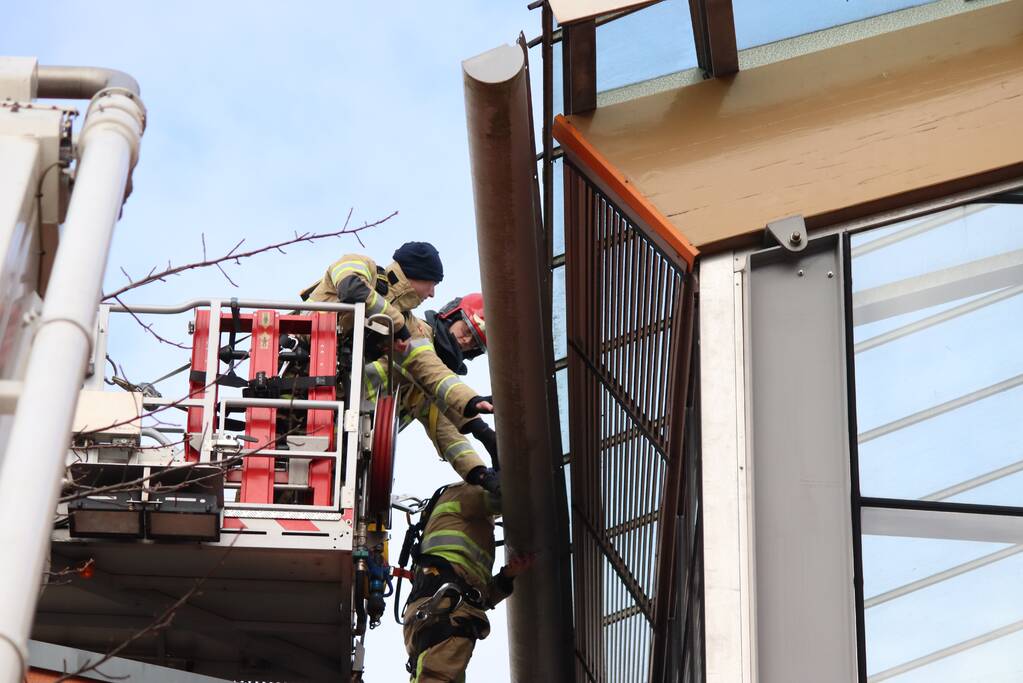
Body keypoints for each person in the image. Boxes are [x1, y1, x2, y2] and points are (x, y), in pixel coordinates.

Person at [364, 294, 499, 495]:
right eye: (466, 330)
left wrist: (480, 473)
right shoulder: (415, 329)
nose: (465, 341)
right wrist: (476, 412)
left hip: (354, 432)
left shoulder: (436, 387)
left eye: (473, 343)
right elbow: (430, 370)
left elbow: (445, 429)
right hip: (339, 398)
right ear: (451, 316)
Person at [401, 482, 533, 682]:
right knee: (437, 676)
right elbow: (514, 498)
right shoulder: (468, 494)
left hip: (439, 611)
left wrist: (507, 576)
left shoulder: (467, 525)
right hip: (445, 612)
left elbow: (481, 597)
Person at [300, 241, 444, 354]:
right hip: (289, 352)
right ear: (418, 274)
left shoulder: (407, 321)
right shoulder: (360, 263)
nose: (432, 294)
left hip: (323, 381)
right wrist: (397, 324)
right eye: (432, 284)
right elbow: (351, 289)